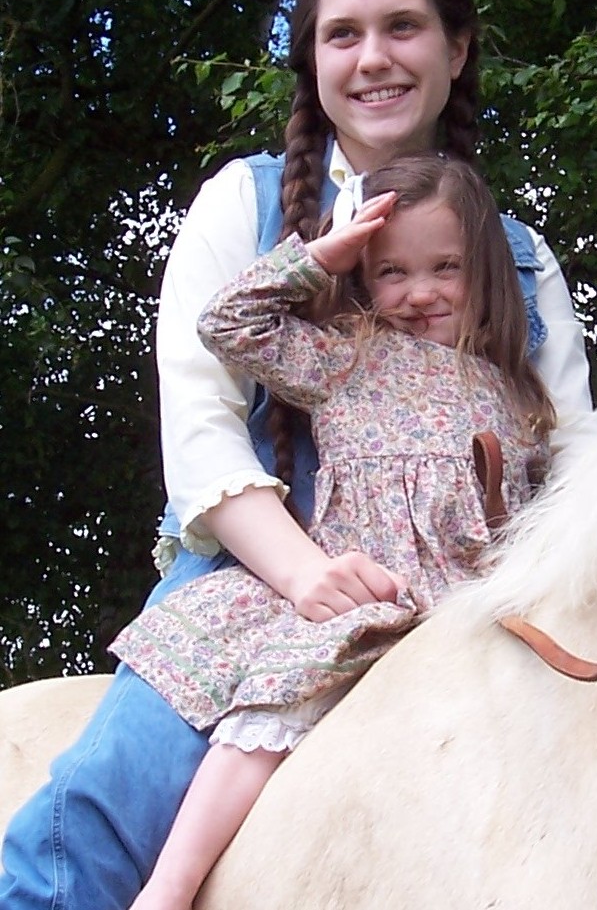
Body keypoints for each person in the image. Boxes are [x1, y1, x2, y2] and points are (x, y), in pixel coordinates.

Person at [0, 0, 597, 910]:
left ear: (455, 50)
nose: (374, 58)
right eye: (342, 35)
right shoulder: (241, 204)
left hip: (475, 581)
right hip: (261, 565)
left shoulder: (521, 256)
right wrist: (307, 574)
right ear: (313, 64)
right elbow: (201, 427)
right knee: (105, 805)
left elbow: (578, 459)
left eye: (403, 27)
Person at [113, 153, 550, 910]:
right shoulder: (351, 355)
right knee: (274, 708)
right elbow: (226, 324)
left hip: (472, 607)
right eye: (391, 273)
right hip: (367, 593)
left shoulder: (519, 395)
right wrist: (322, 257)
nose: (419, 292)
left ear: (484, 269)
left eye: (445, 268)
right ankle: (170, 885)